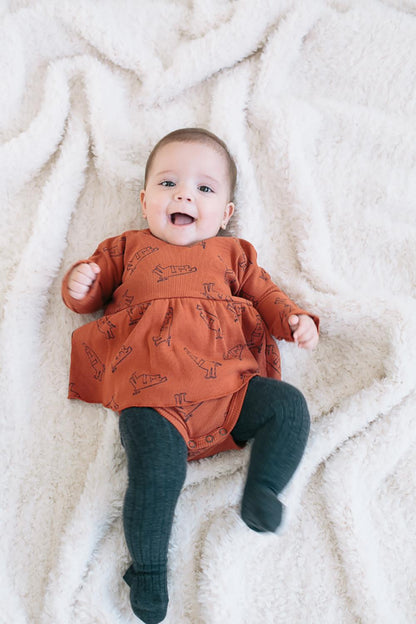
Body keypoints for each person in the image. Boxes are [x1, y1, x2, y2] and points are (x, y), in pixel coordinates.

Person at [62, 128, 319, 624]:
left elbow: (268, 298)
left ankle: (263, 489)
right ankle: (149, 569)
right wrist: (81, 284)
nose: (183, 194)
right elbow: (88, 296)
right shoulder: (126, 248)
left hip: (229, 390)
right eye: (168, 183)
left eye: (204, 188)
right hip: (151, 398)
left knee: (288, 407)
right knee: (155, 478)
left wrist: (295, 320)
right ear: (143, 201)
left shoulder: (234, 254)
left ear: (226, 214)